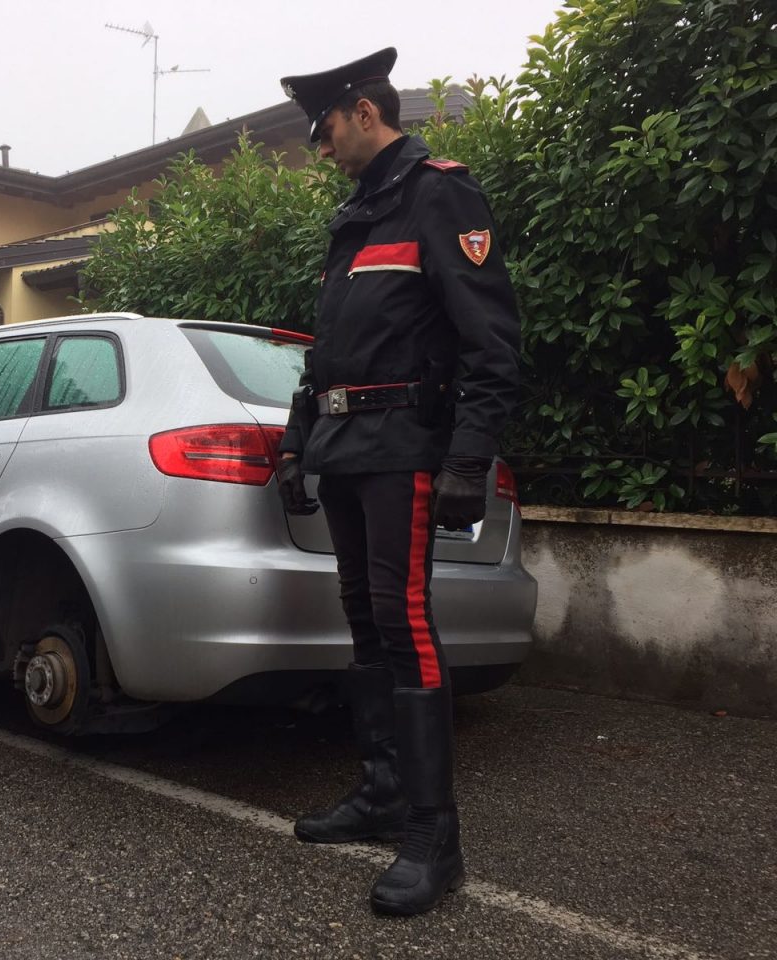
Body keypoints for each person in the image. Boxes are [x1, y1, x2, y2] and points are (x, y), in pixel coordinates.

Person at [275, 48, 521, 915]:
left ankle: (432, 835)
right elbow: (329, 353)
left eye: (324, 128)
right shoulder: (358, 217)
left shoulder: (438, 194)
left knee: (404, 619)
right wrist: (299, 445)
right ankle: (381, 792)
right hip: (344, 446)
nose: (320, 146)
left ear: (364, 113)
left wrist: (466, 457)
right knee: (364, 621)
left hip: (404, 444)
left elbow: (491, 342)